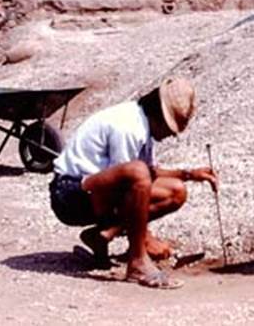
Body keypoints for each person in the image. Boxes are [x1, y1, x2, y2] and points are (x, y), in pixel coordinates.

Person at [49, 76, 217, 289]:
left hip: (94, 193)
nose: (170, 136)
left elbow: (149, 174)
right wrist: (146, 238)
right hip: (69, 196)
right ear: (159, 115)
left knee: (176, 191)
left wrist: (189, 174)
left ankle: (102, 235)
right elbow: (130, 185)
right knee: (138, 173)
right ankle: (137, 262)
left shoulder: (141, 122)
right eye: (170, 128)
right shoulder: (128, 127)